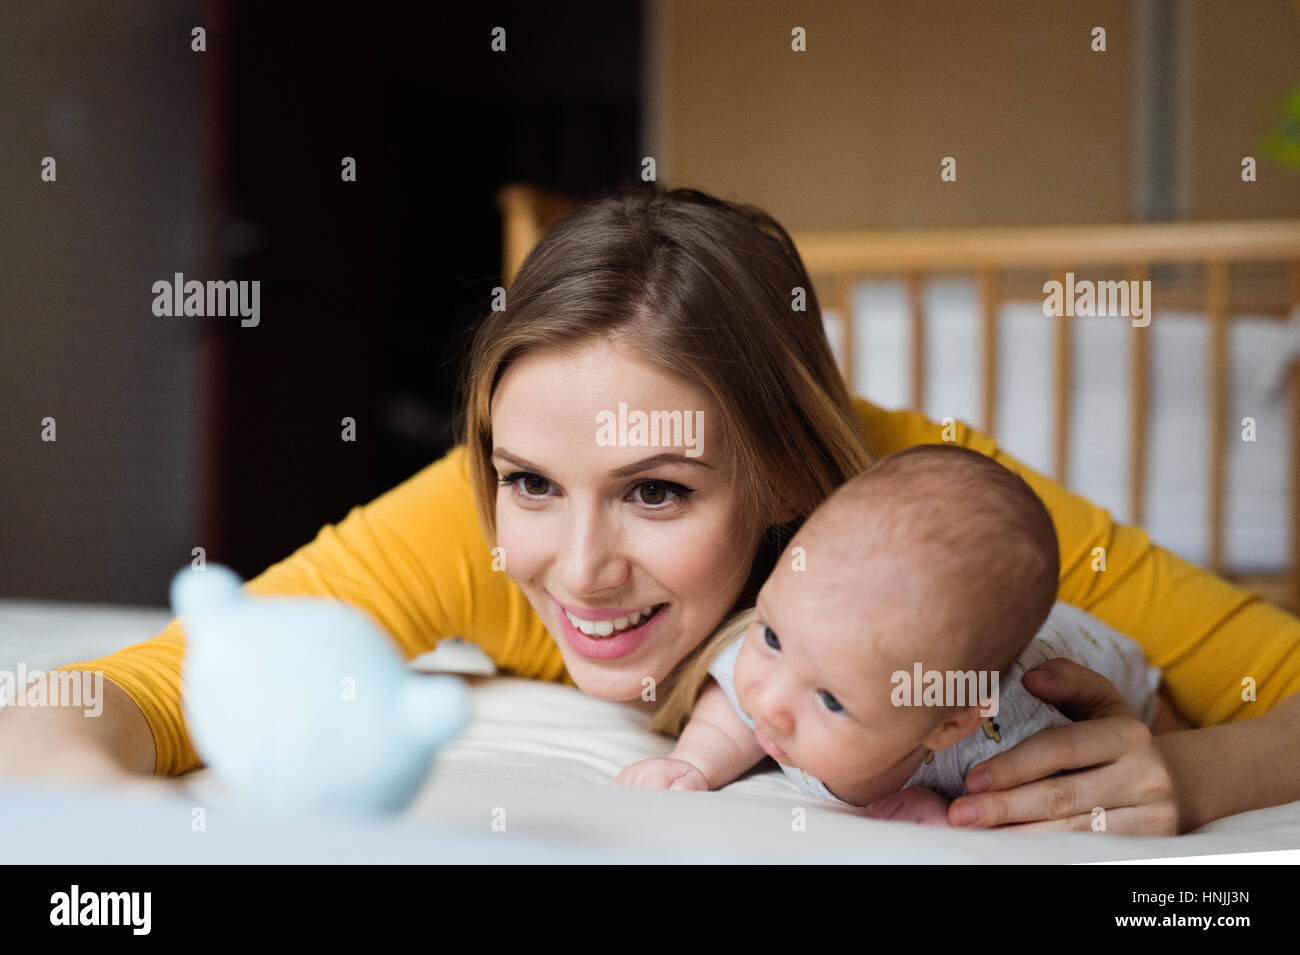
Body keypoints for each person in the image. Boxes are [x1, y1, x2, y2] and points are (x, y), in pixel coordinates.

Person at [4, 185, 1298, 835]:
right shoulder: (475, 528)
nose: (575, 568)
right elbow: (100, 693)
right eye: (529, 481)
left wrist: (1191, 768)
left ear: (791, 477)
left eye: (660, 490)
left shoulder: (943, 525)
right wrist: (117, 840)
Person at [615, 444, 1165, 827]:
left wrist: (956, 819)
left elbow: (1076, 795)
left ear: (948, 723)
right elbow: (731, 710)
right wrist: (694, 764)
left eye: (831, 700)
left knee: (1154, 708)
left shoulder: (1006, 744)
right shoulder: (797, 642)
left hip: (1094, 651)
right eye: (773, 639)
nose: (771, 703)